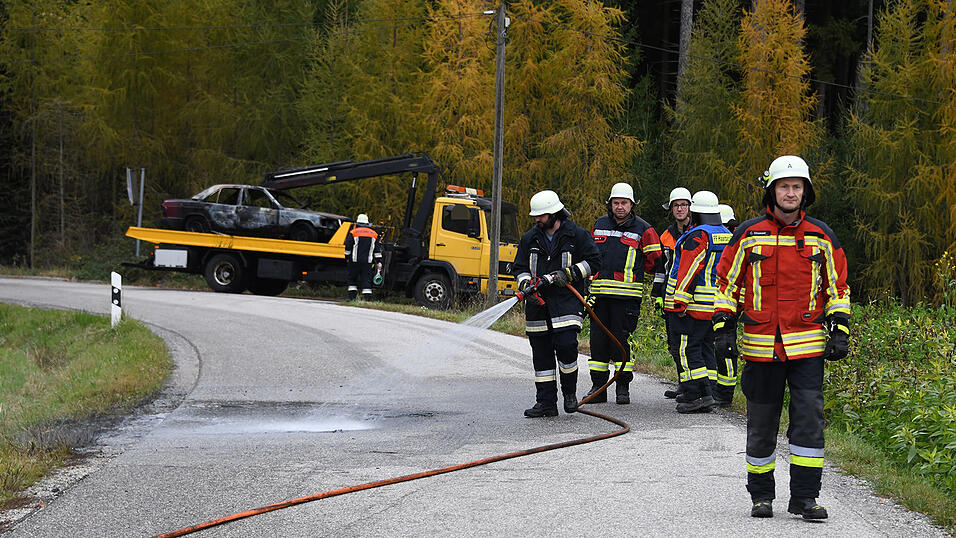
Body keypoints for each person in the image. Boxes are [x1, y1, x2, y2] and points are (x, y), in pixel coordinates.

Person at [713, 155, 850, 520]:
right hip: (761, 348)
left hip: (808, 348)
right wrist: (724, 326)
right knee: (762, 423)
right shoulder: (748, 233)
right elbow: (727, 283)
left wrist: (839, 328)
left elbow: (837, 287)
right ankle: (761, 496)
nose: (791, 193)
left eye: (797, 187)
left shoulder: (822, 236)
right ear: (771, 191)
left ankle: (805, 498)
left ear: (806, 192)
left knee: (808, 422)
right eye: (784, 186)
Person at [513, 190, 602, 418]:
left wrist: (568, 274)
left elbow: (594, 261)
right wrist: (526, 285)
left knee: (566, 346)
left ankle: (569, 394)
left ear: (554, 213)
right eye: (536, 216)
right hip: (537, 306)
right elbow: (520, 267)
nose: (537, 219)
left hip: (567, 303)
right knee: (541, 356)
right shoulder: (529, 238)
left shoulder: (576, 235)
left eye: (541, 215)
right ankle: (546, 404)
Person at [586, 182, 665, 405]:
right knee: (598, 342)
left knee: (621, 342)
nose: (620, 207)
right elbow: (590, 257)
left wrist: (639, 278)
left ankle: (622, 387)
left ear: (632, 205)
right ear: (610, 204)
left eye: (624, 203)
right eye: (616, 203)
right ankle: (598, 388)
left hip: (627, 298)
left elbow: (655, 262)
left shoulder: (644, 229)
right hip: (599, 296)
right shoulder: (599, 225)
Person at [663, 190, 731, 413]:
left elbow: (690, 269)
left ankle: (695, 395)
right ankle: (709, 392)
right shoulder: (726, 234)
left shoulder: (698, 236)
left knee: (686, 349)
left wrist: (680, 302)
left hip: (693, 305)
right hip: (716, 305)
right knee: (705, 348)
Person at [659, 187, 692, 401]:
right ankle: (683, 384)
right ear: (671, 209)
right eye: (676, 205)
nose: (680, 209)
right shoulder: (666, 235)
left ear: (689, 207)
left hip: (693, 295)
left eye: (683, 205)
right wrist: (658, 294)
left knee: (693, 343)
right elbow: (661, 268)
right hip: (671, 295)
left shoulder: (698, 230)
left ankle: (696, 387)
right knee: (675, 344)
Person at [344, 213, 382, 301]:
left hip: (354, 261)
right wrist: (379, 261)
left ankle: (352, 298)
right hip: (368, 262)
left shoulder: (353, 232)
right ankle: (367, 299)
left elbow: (348, 247)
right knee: (366, 280)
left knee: (352, 279)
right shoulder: (374, 234)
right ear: (367, 223)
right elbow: (377, 250)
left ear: (357, 223)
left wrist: (347, 258)